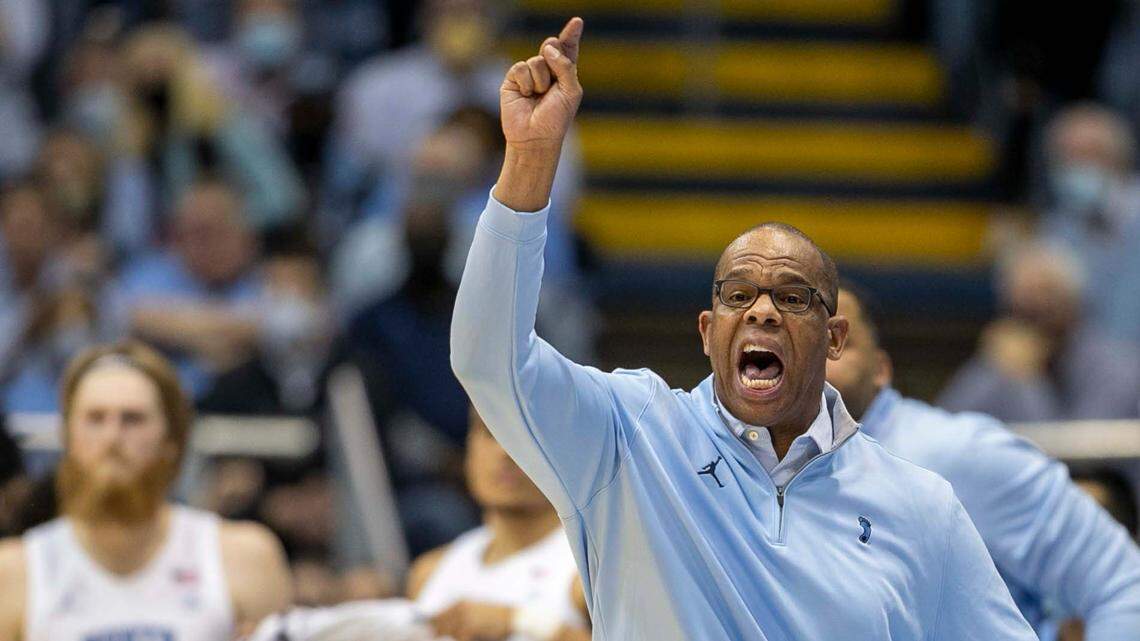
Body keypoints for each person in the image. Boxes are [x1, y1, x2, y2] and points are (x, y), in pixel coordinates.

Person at [450, 18, 1036, 639]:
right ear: (707, 331)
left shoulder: (920, 505)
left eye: (791, 296)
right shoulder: (633, 437)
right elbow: (488, 361)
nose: (761, 311)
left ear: (834, 339)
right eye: (738, 295)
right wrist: (529, 162)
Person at [826, 283, 1140, 639]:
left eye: (835, 343)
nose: (813, 359)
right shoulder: (763, 479)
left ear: (880, 368)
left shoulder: (957, 451)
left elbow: (1122, 585)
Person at [0, 341, 292, 641]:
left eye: (133, 419)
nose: (112, 438)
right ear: (68, 437)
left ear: (171, 440)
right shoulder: (14, 572)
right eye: (95, 418)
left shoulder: (243, 557)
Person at [407, 407, 590, 641]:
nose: (504, 451)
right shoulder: (428, 572)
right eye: (490, 432)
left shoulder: (586, 568)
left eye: (527, 437)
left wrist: (518, 621)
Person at [936, 240, 1140, 421]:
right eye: (1021, 300)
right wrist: (993, 365)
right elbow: (946, 425)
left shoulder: (1117, 367)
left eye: (1046, 294)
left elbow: (1073, 457)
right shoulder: (1007, 358)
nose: (1034, 310)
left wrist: (1024, 379)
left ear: (1074, 300)